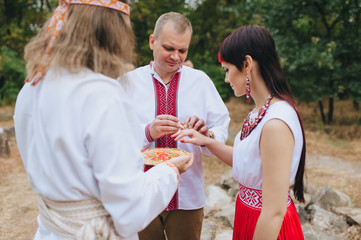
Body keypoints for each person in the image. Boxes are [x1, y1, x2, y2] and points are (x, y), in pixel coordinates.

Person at [13, 1, 194, 240]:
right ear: (114, 31)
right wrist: (169, 170)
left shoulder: (32, 86)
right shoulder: (103, 96)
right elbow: (131, 210)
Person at [173, 25, 306, 240]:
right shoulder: (259, 112)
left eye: (227, 69)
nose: (226, 79)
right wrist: (206, 141)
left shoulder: (276, 123)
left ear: (247, 65)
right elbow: (247, 162)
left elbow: (274, 212)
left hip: (268, 226)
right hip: (248, 215)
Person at [125, 12, 230, 240]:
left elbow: (221, 124)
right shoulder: (128, 82)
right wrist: (147, 131)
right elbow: (113, 135)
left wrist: (207, 134)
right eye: (169, 48)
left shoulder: (200, 82)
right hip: (140, 193)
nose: (176, 56)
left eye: (182, 51)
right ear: (152, 41)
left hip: (188, 195)